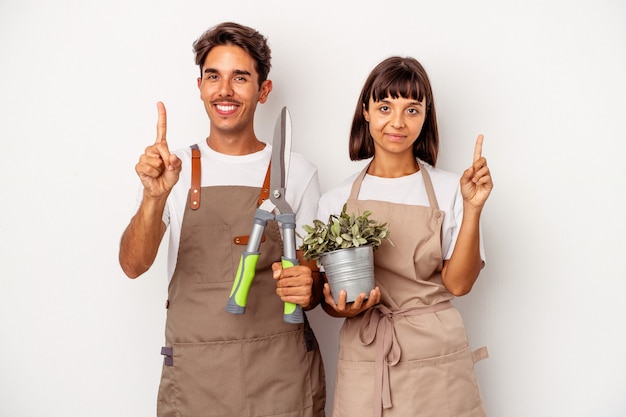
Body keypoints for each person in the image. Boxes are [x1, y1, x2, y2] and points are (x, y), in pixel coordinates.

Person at [119, 22, 326, 417]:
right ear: (200, 86)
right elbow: (133, 265)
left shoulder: (297, 173)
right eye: (213, 76)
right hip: (197, 380)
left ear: (264, 90)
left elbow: (313, 289)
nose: (225, 90)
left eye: (240, 78)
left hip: (281, 379)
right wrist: (153, 198)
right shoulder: (171, 170)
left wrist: (309, 286)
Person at [317, 56, 493, 417]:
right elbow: (329, 299)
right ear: (365, 111)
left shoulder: (450, 189)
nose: (397, 122)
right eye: (385, 107)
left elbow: (458, 285)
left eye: (412, 110)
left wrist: (472, 208)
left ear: (426, 116)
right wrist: (341, 307)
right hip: (367, 353)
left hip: (436, 358)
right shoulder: (335, 199)